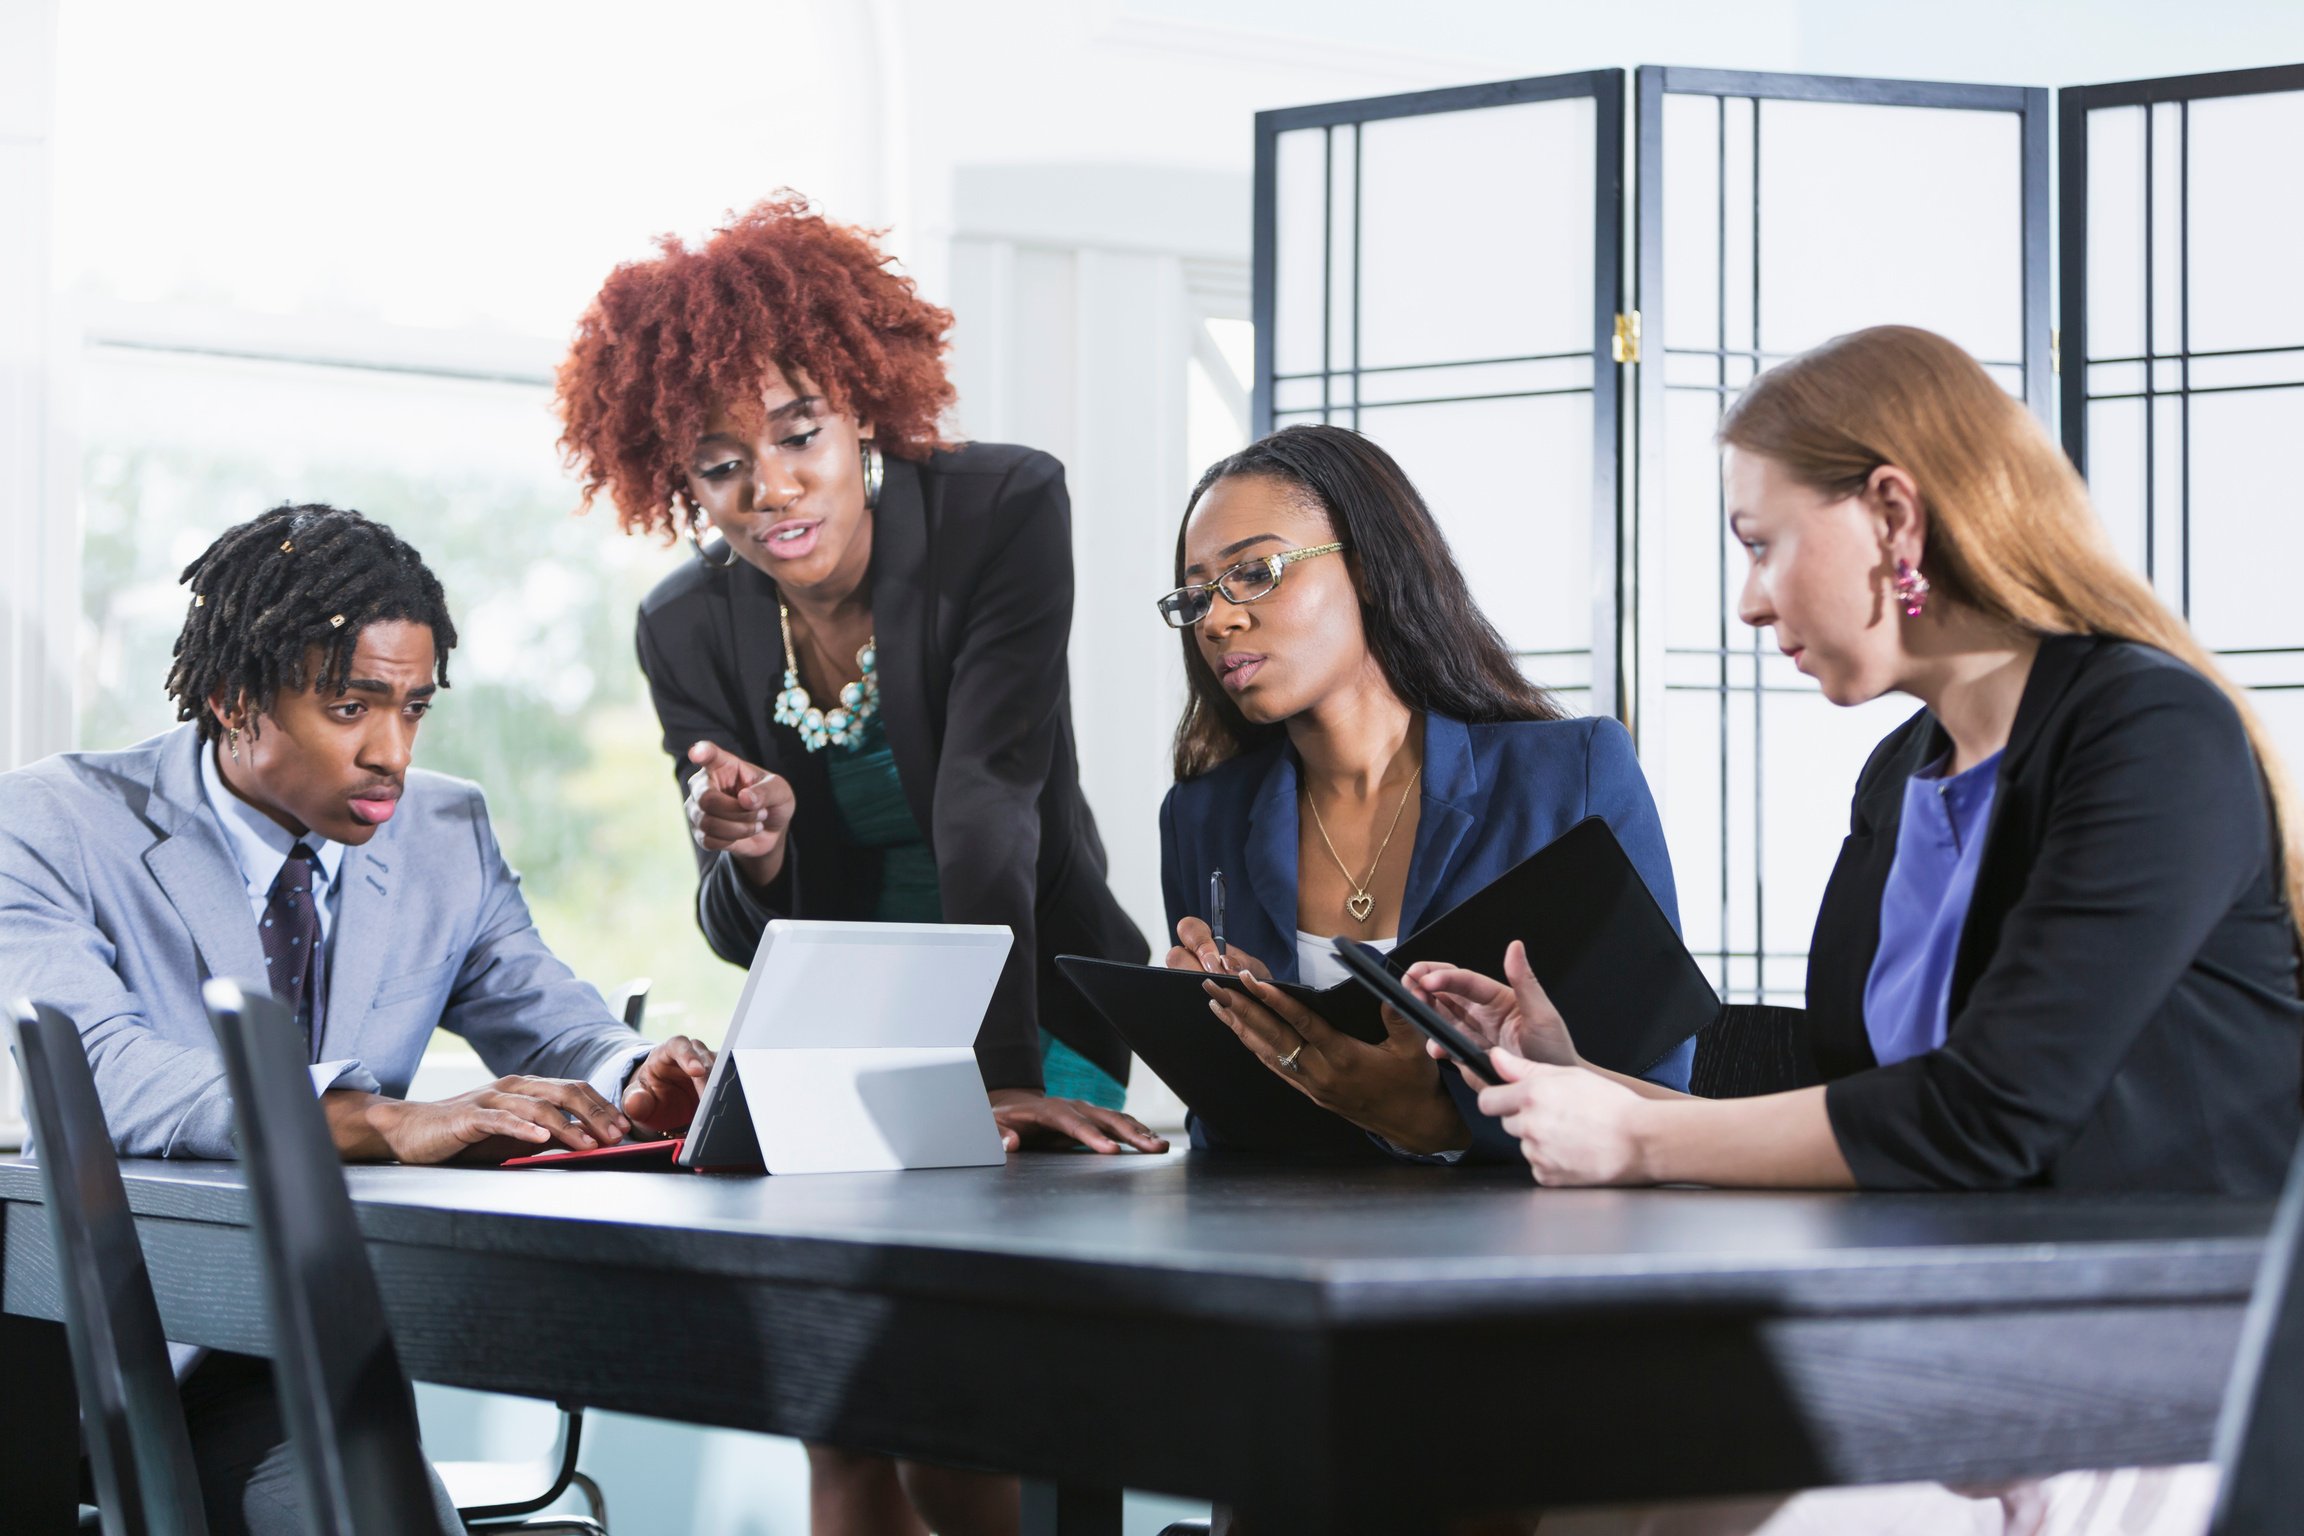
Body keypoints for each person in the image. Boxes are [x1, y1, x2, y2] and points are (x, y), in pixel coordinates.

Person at [1411, 325, 2304, 1536]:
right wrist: (1586, 1081)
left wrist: (1632, 1139)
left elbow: (1984, 1116)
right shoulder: (1904, 773)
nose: (1748, 601)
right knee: (1522, 1485)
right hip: (1947, 1343)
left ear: (1895, 515)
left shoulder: (2150, 733)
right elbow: (1868, 1112)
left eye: (1761, 543)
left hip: (2155, 1378)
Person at [554, 193, 1165, 1536]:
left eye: (798, 435)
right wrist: (756, 854)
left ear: (864, 410)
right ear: (679, 484)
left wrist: (997, 1083)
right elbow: (733, 924)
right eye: (720, 465)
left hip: (1029, 1002)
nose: (769, 489)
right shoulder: (686, 633)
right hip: (838, 1033)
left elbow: (991, 806)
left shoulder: (1001, 509)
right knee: (839, 1425)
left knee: (956, 1426)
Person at [0, 502, 715, 1534]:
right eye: (351, 708)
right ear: (233, 697)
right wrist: (381, 1118)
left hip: (276, 1371)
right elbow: (107, 1069)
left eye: (415, 709)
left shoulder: (442, 832)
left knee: (375, 1509)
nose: (393, 752)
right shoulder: (55, 823)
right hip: (69, 1361)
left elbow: (547, 1014)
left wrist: (629, 1069)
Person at [1155, 424, 1694, 1162]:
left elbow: (1653, 1086)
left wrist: (1440, 1128)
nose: (1217, 619)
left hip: (1535, 1254)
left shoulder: (1574, 775)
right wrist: (1232, 1045)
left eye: (1255, 574)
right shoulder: (1202, 816)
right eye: (1195, 598)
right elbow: (1223, 1132)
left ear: (1370, 569)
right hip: (1283, 1248)